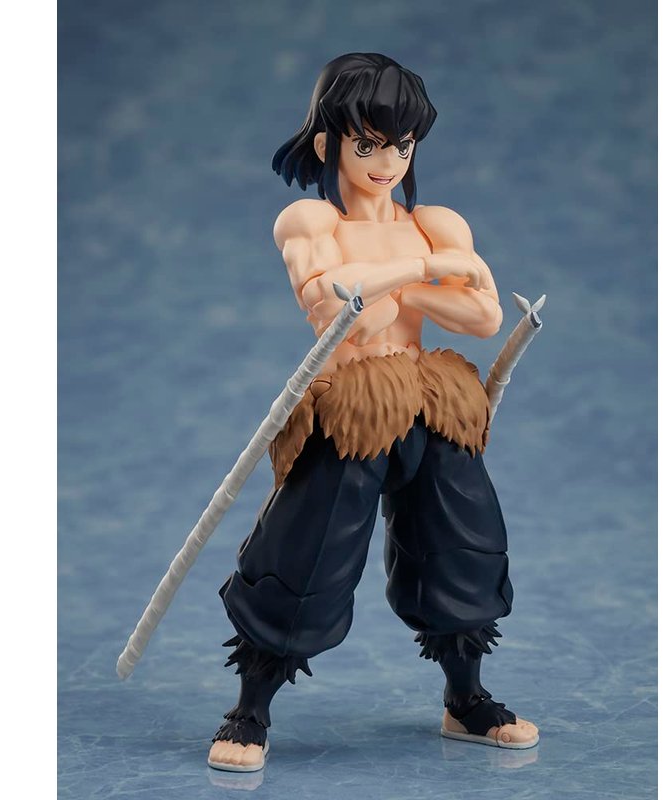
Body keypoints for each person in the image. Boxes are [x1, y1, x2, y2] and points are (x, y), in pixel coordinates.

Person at [208, 52, 539, 772]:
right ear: (331, 143)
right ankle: (250, 709)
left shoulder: (436, 221)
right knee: (306, 555)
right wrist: (425, 271)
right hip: (351, 408)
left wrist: (401, 286)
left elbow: (483, 316)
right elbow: (340, 311)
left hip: (431, 399)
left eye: (401, 145)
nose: (387, 163)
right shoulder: (309, 219)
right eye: (369, 145)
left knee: (462, 548)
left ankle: (466, 698)